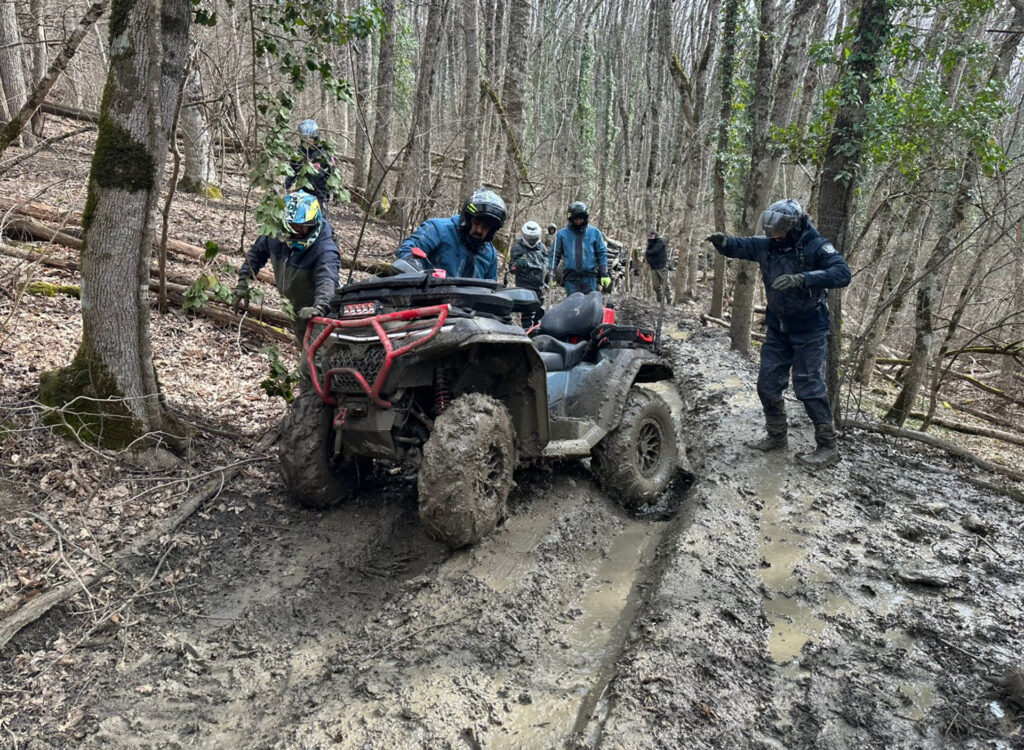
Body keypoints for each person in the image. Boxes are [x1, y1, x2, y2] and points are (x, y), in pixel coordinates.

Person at [706, 198, 851, 468]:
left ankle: (828, 446)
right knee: (767, 384)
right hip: (778, 327)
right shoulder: (768, 245)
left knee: (809, 386)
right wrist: (724, 242)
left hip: (810, 328)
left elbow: (842, 273)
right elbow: (744, 245)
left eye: (781, 231)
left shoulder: (817, 246)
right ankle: (776, 436)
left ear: (794, 225)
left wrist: (804, 278)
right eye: (772, 231)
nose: (776, 236)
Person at [233, 190, 341, 342]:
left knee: (315, 360)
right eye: (293, 226)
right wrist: (243, 281)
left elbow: (328, 279)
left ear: (313, 223)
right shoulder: (276, 236)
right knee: (303, 348)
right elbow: (255, 255)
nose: (298, 231)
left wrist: (320, 307)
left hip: (319, 313)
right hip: (294, 308)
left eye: (302, 226)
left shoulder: (325, 249)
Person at [396, 188, 506, 280]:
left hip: (466, 304)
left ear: (492, 230)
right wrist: (417, 268)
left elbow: (491, 287)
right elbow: (408, 249)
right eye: (476, 223)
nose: (479, 230)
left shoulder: (490, 254)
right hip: (427, 298)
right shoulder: (439, 229)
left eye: (485, 227)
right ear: (467, 219)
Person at [549, 201, 609, 295]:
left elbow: (602, 254)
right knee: (573, 307)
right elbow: (554, 256)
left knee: (589, 307)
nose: (578, 221)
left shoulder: (595, 233)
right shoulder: (562, 234)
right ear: (571, 219)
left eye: (580, 219)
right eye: (575, 219)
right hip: (571, 279)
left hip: (590, 278)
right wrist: (552, 274)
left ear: (585, 218)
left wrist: (604, 273)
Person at [284, 119, 335, 209]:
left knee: (320, 218)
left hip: (320, 193)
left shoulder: (324, 153)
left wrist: (335, 193)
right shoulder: (299, 153)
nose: (308, 141)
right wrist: (285, 186)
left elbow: (333, 173)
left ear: (316, 138)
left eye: (311, 138)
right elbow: (292, 170)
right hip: (303, 191)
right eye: (305, 139)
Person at [509, 221, 550, 327]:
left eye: (534, 238)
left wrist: (547, 280)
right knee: (528, 314)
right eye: (529, 237)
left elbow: (546, 266)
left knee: (539, 312)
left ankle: (535, 331)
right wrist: (518, 263)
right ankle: (528, 332)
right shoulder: (517, 248)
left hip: (539, 286)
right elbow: (512, 269)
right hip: (525, 286)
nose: (532, 240)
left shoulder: (542, 248)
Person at [646, 229, 673, 304]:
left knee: (665, 284)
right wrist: (650, 259)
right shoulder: (650, 243)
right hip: (653, 266)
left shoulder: (660, 241)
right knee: (655, 285)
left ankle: (669, 300)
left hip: (661, 266)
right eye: (652, 236)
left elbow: (655, 251)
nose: (653, 237)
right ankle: (660, 300)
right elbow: (648, 254)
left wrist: (649, 252)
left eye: (654, 235)